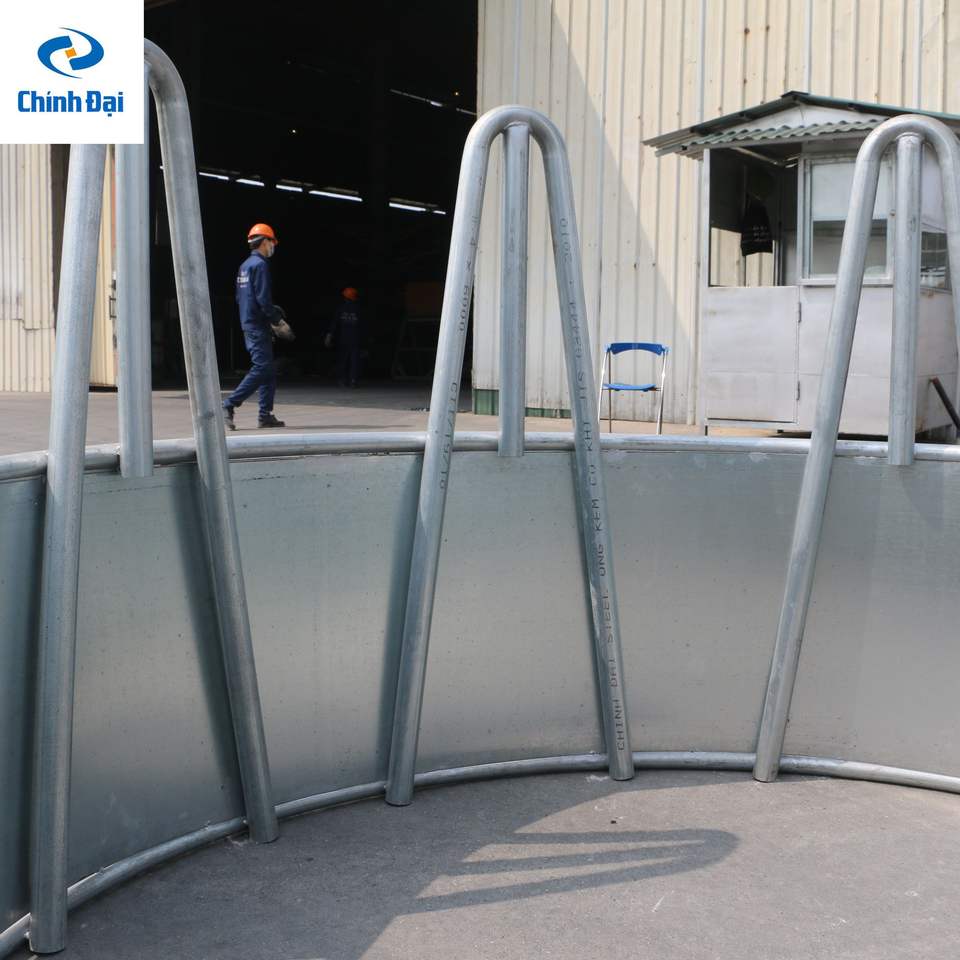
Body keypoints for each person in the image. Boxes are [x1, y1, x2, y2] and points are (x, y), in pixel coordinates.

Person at [222, 224, 286, 429]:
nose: (273, 247)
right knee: (262, 367)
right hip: (257, 325)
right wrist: (276, 320)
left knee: (269, 370)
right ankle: (229, 404)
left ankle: (265, 415)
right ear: (265, 242)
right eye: (272, 242)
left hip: (249, 321)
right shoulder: (260, 265)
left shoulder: (245, 266)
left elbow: (240, 297)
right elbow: (263, 298)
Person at [325, 287, 362, 387]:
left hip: (343, 339)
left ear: (345, 298)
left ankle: (342, 379)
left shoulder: (340, 309)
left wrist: (329, 336)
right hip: (355, 339)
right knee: (354, 360)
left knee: (342, 360)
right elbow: (363, 326)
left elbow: (334, 324)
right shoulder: (358, 309)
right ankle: (353, 380)